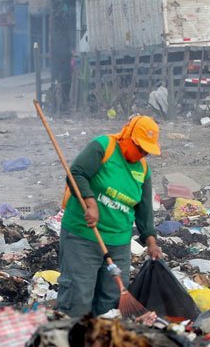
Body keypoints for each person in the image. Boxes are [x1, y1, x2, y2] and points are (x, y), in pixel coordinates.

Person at [56, 115, 164, 318]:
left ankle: (103, 344)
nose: (142, 154)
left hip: (118, 243)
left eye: (146, 151)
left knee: (110, 303)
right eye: (139, 148)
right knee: (77, 297)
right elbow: (76, 173)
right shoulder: (104, 146)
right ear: (128, 135)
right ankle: (72, 343)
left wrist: (151, 241)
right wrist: (90, 203)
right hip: (83, 238)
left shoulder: (142, 168)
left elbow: (144, 208)